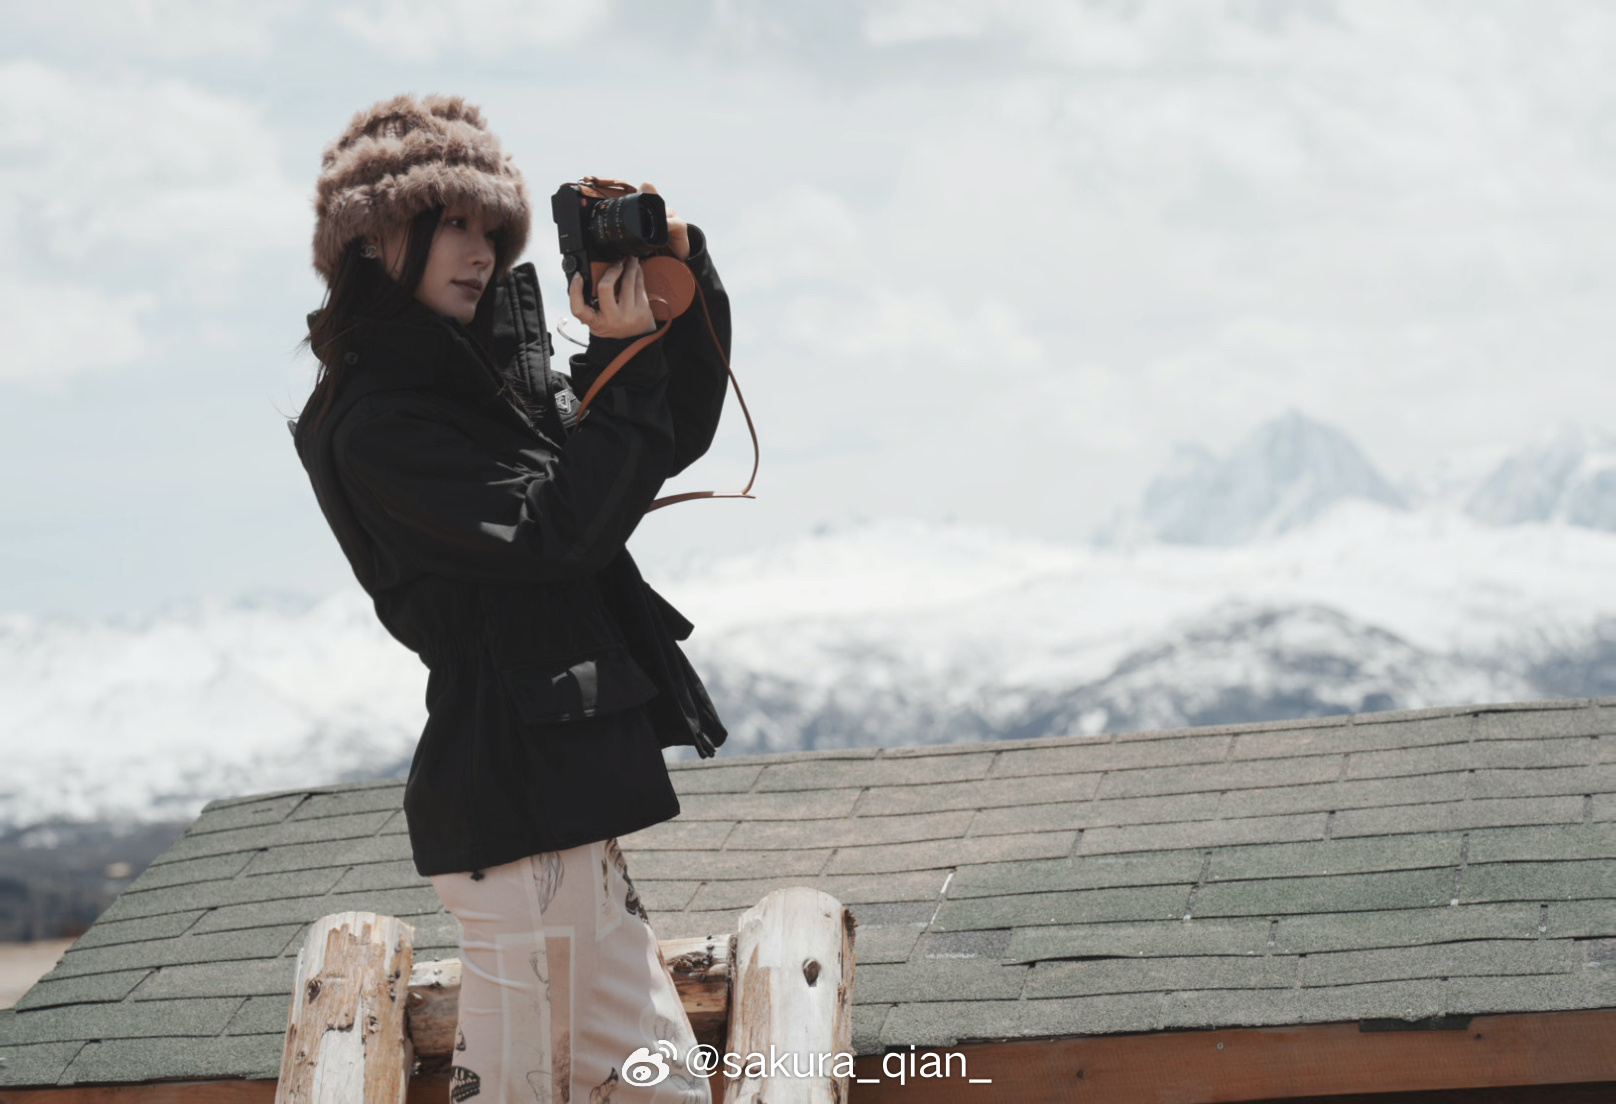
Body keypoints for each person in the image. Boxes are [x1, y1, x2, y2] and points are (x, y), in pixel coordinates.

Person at [290, 94, 728, 1103]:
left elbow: (656, 441)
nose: (479, 249)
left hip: (552, 826)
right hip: (528, 827)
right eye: (449, 220)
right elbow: (558, 534)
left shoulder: (484, 391)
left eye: (492, 227)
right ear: (371, 237)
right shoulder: (382, 419)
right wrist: (615, 366)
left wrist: (678, 278)